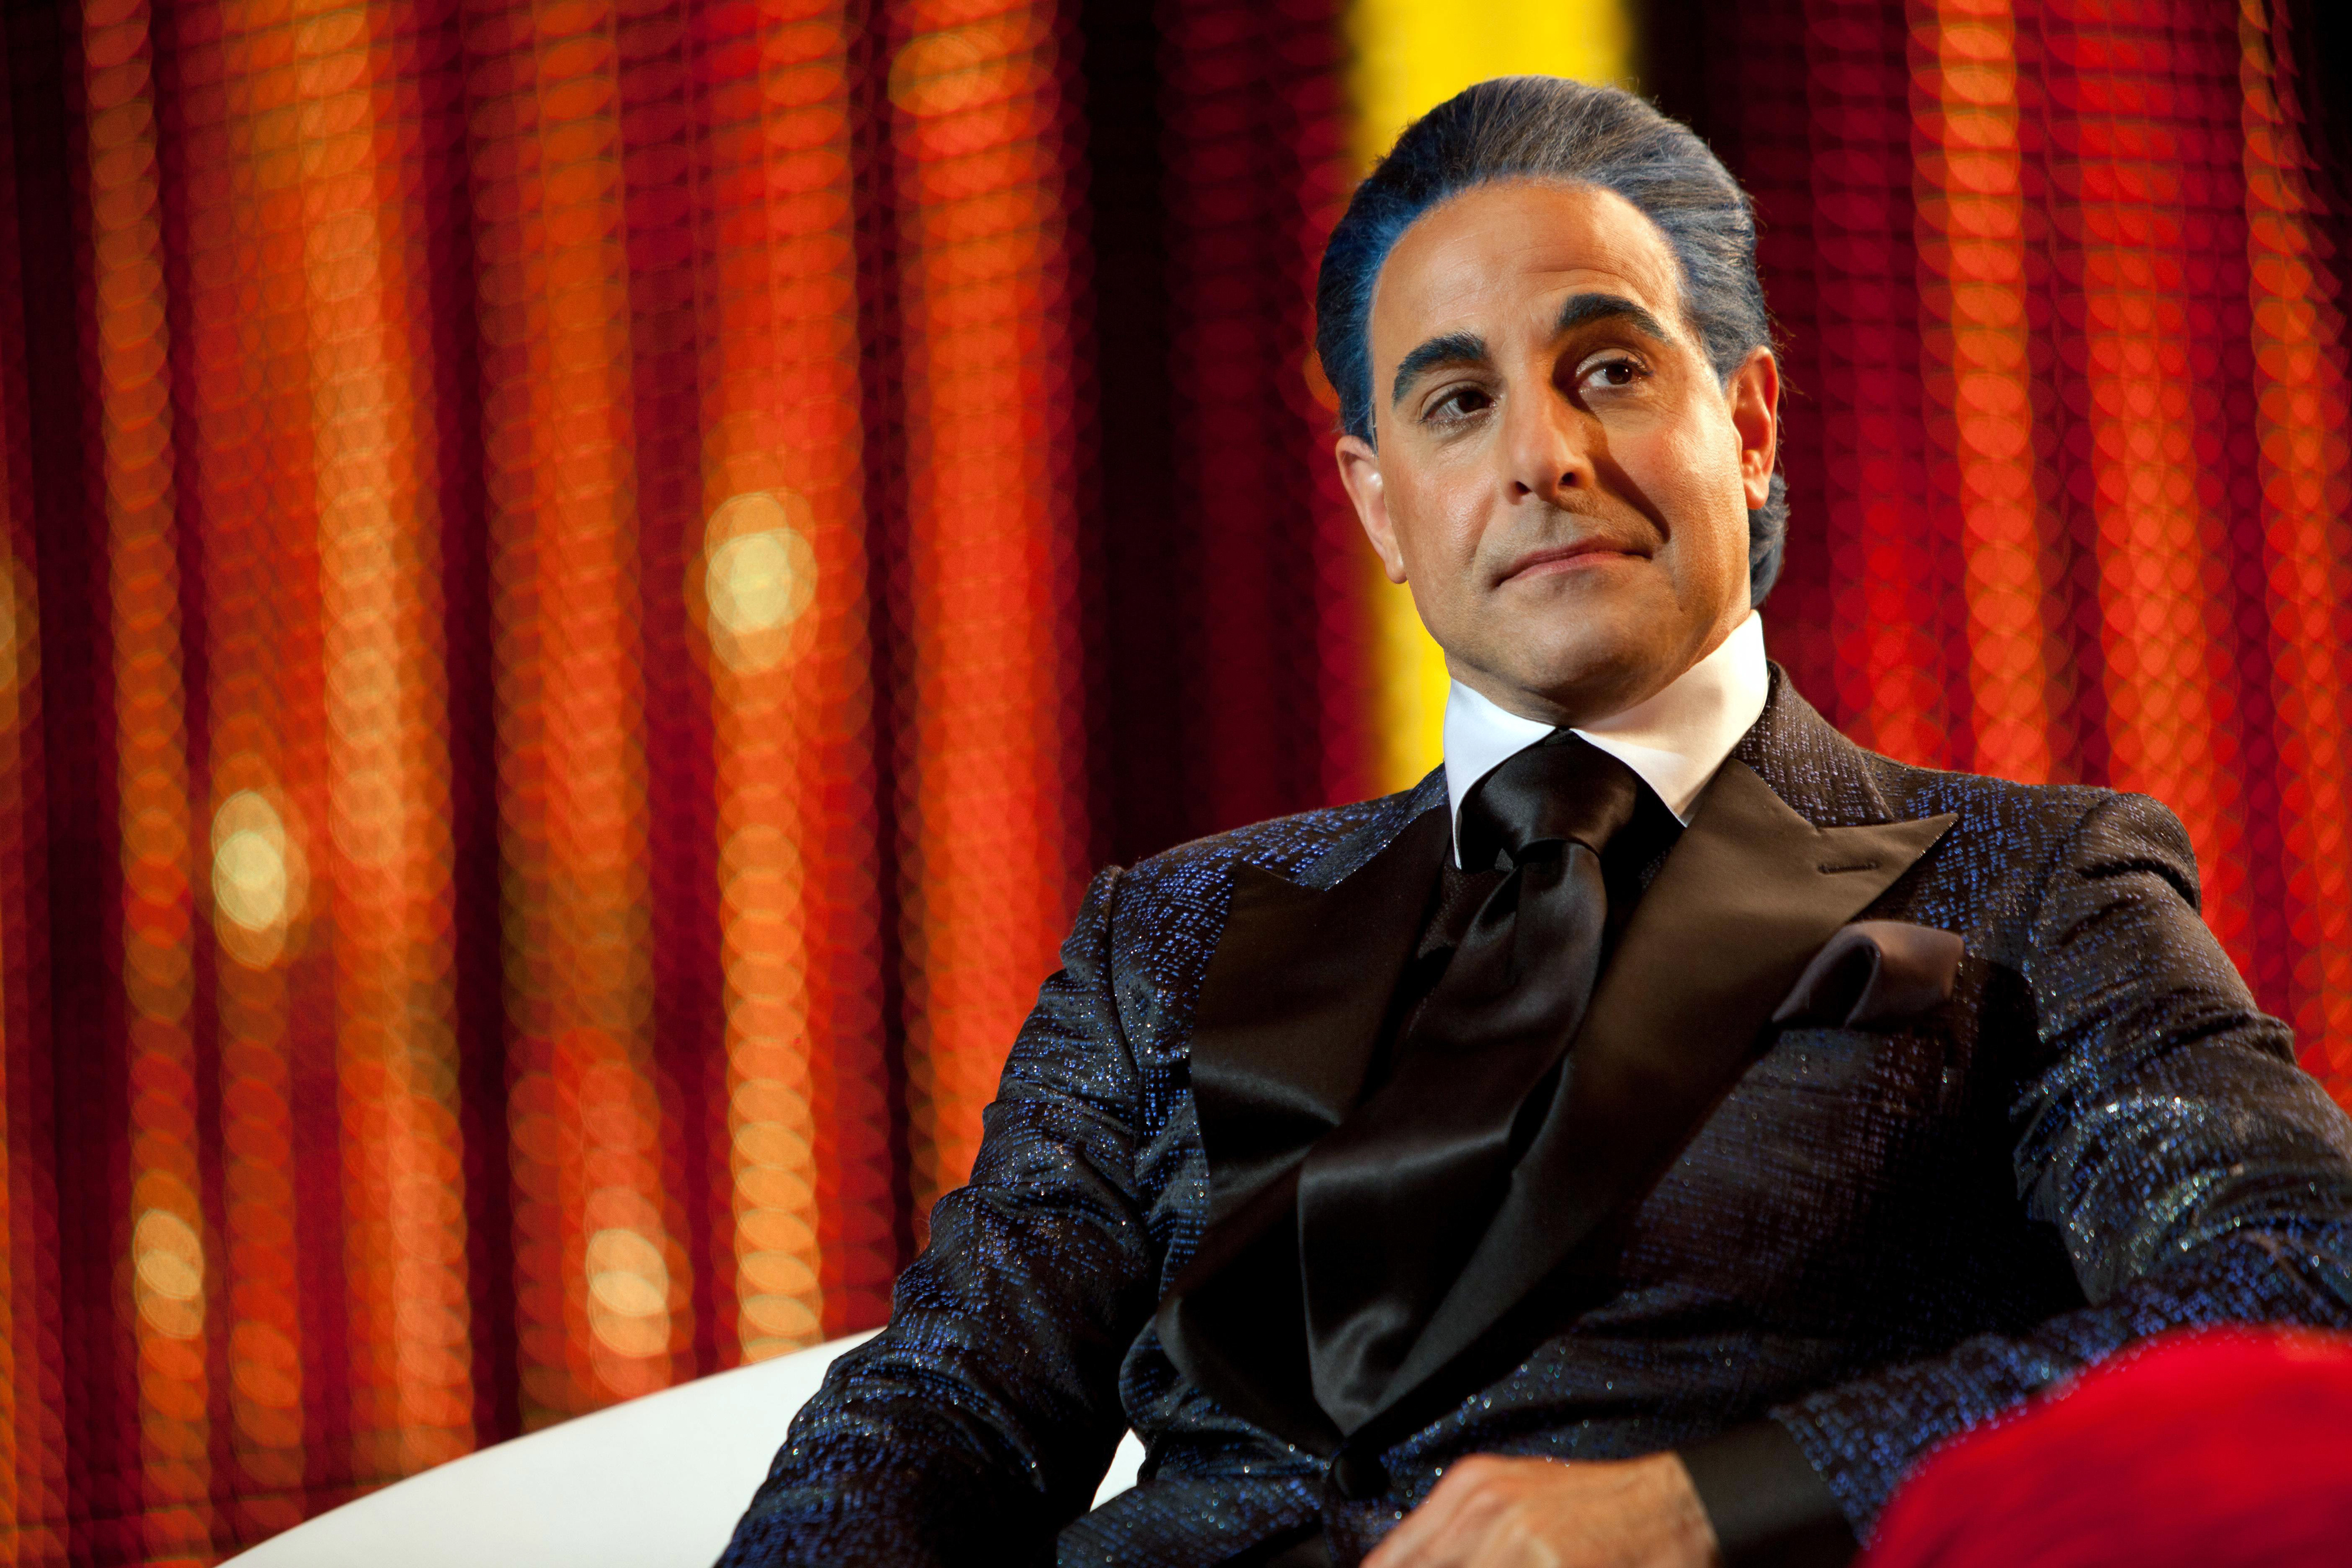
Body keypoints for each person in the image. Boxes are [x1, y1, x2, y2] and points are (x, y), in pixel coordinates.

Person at [716, 77, 2352, 1568]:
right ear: (1379, 505)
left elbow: (2299, 1275)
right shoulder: (1169, 931)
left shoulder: (2028, 880)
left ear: (1754, 425)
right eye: (1455, 403)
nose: (1544, 456)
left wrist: (1704, 1497)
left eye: (1611, 371)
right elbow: (946, 1409)